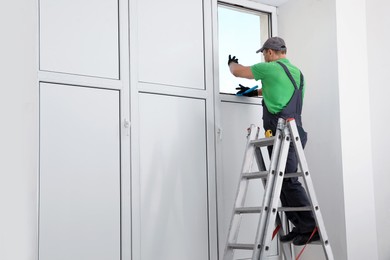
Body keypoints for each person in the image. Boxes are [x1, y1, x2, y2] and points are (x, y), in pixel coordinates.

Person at [228, 36, 319, 246]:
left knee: (288, 181)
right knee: (282, 182)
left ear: (269, 52)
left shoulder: (268, 68)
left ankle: (310, 226)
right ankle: (300, 227)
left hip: (283, 134)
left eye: (264, 54)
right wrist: (251, 92)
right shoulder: (297, 73)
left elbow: (238, 72)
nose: (264, 58)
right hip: (295, 132)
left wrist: (230, 63)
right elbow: (276, 90)